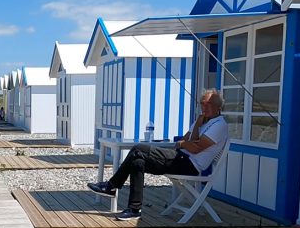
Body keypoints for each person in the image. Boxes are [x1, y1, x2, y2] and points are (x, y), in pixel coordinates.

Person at [88, 89, 229, 221]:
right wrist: (196, 127)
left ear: (218, 107)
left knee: (138, 149)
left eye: (208, 104)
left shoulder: (219, 125)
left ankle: (111, 186)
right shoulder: (202, 121)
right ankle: (134, 209)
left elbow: (195, 148)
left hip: (189, 164)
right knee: (137, 161)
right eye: (202, 104)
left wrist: (184, 144)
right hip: (180, 158)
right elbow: (189, 140)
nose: (204, 107)